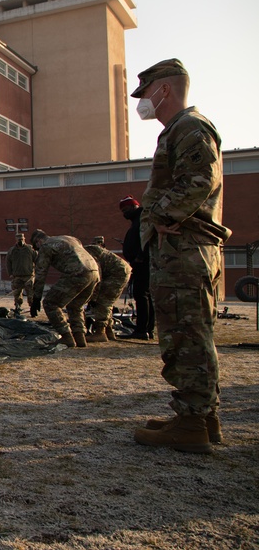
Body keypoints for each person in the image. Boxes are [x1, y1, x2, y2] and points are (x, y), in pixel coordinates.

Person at [128, 58, 231, 455]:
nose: (143, 102)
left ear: (164, 90)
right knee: (190, 334)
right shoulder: (178, 129)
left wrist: (160, 214)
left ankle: (192, 424)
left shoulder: (190, 126)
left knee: (185, 336)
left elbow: (201, 179)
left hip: (184, 251)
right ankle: (201, 416)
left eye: (146, 93)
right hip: (181, 250)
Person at [29, 229, 100, 348]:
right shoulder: (69, 238)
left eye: (36, 248)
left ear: (38, 241)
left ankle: (66, 337)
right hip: (94, 272)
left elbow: (41, 273)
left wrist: (36, 298)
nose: (37, 251)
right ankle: (80, 337)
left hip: (76, 273)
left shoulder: (46, 246)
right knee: (75, 305)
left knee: (51, 303)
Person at [83, 236, 132, 343]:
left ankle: (100, 333)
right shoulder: (88, 251)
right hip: (120, 270)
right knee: (107, 302)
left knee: (102, 301)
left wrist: (93, 297)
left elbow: (97, 277)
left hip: (117, 272)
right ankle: (108, 331)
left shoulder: (88, 254)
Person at [118, 195, 154, 339]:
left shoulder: (142, 221)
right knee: (145, 295)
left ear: (134, 207)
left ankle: (142, 329)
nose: (124, 214)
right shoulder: (137, 221)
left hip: (142, 264)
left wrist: (140, 256)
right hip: (140, 263)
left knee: (142, 295)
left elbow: (148, 239)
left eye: (126, 210)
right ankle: (147, 328)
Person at [5, 233, 36, 317]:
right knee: (17, 294)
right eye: (19, 240)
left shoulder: (30, 249)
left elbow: (37, 259)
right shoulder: (12, 250)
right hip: (17, 276)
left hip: (28, 276)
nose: (20, 241)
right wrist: (10, 273)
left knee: (31, 294)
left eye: (22, 239)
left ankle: (33, 309)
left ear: (24, 239)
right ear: (16, 240)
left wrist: (36, 272)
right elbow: (8, 262)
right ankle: (18, 308)